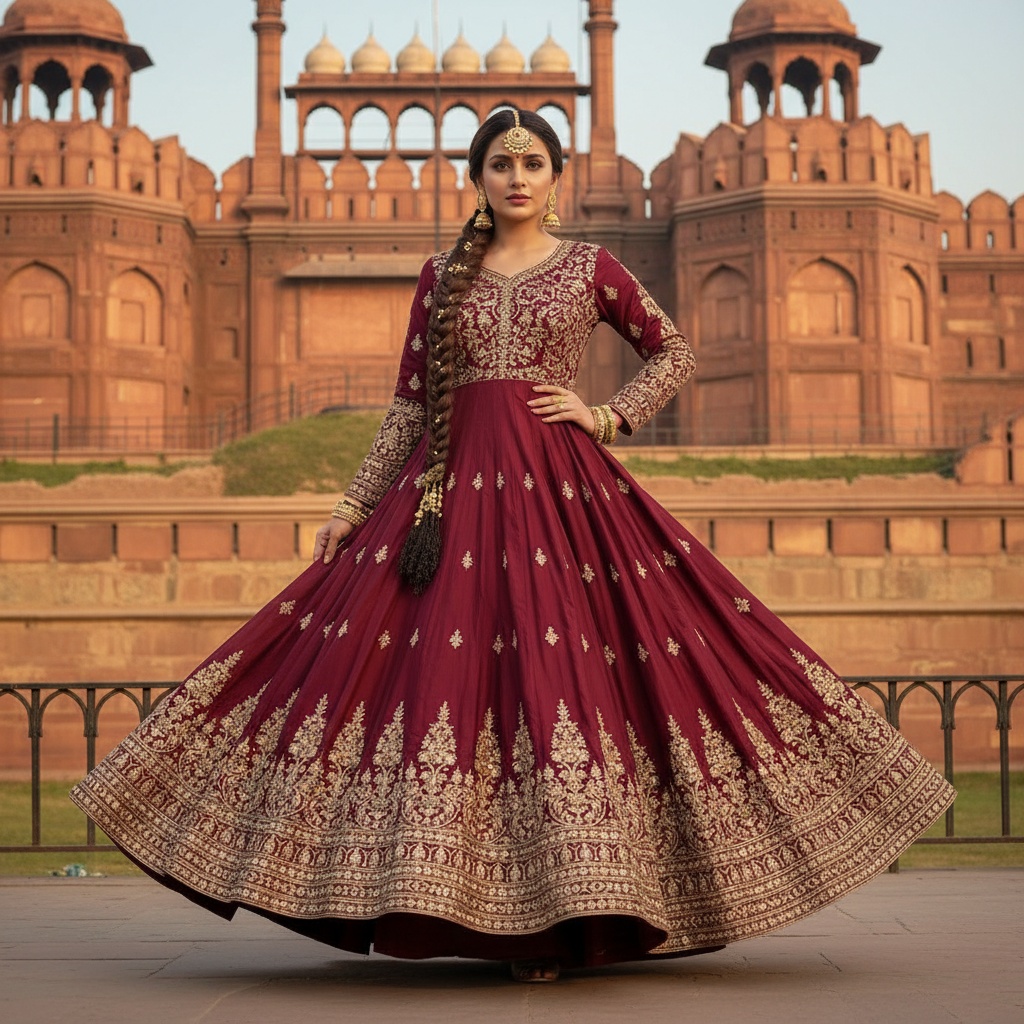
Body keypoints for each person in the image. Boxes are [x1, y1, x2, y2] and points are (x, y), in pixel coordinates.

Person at [71, 109, 954, 984]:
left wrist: (607, 415)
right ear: (480, 177)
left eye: (533, 162)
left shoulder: (590, 268)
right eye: (502, 163)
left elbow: (673, 354)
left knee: (563, 680)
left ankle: (562, 920)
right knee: (425, 679)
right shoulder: (440, 277)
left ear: (556, 176)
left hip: (559, 497)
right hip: (446, 502)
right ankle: (463, 905)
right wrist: (354, 502)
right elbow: (412, 405)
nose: (519, 177)